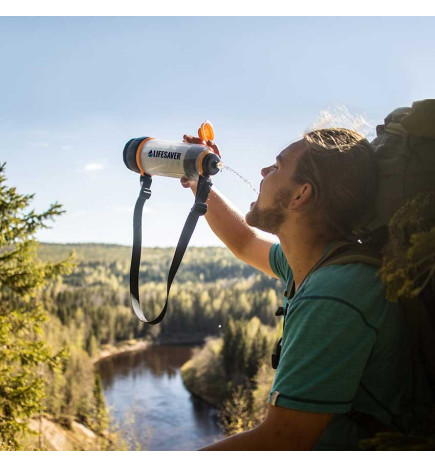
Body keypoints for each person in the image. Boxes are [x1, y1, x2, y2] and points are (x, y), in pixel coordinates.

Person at [181, 128, 416, 450]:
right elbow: (245, 242)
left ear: (300, 195)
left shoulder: (335, 293)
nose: (263, 172)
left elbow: (282, 441)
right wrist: (199, 181)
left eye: (277, 167)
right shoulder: (318, 260)